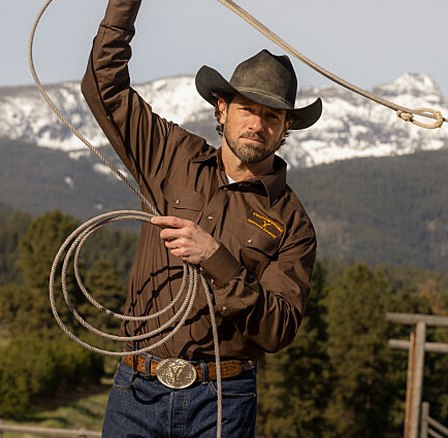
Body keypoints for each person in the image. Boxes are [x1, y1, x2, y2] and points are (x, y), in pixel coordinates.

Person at [81, 0, 322, 436]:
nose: (258, 124)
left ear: (286, 127)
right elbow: (104, 87)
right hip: (137, 389)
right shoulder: (172, 157)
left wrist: (217, 258)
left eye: (272, 116)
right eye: (248, 109)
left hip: (223, 402)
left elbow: (278, 330)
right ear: (223, 107)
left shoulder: (293, 222)